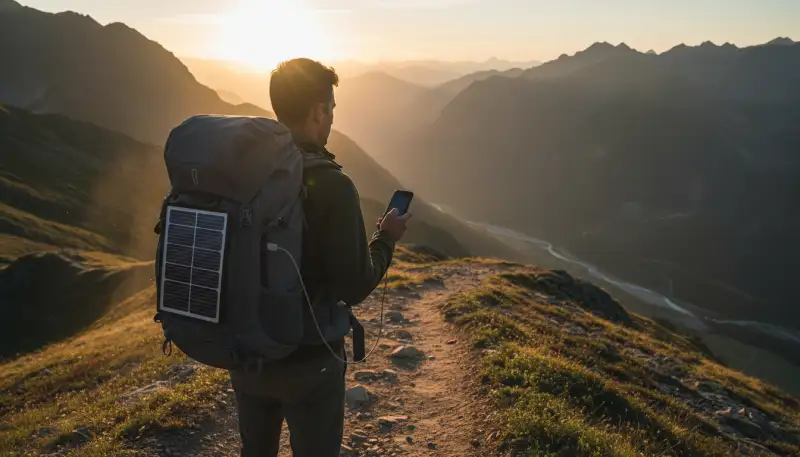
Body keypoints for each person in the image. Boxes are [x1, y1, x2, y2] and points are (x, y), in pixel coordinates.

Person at [228, 58, 411, 457]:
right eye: (330, 109)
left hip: (248, 352)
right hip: (310, 361)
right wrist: (386, 239)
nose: (331, 119)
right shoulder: (333, 185)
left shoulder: (243, 173)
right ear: (318, 110)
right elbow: (355, 285)